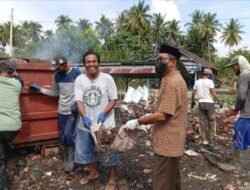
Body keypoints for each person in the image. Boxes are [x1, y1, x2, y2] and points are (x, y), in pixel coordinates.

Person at [125, 45, 188, 190]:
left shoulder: (172, 82)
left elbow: (162, 115)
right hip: (173, 141)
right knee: (172, 179)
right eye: (157, 59)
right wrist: (148, 117)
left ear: (172, 62)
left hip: (168, 143)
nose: (158, 62)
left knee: (162, 182)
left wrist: (138, 121)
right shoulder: (172, 78)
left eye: (161, 59)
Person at [74, 51, 119, 190]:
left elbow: (114, 100)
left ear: (98, 63)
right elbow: (79, 101)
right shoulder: (80, 80)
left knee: (109, 151)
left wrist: (104, 113)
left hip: (105, 124)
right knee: (84, 150)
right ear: (84, 64)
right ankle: (93, 172)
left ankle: (112, 178)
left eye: (94, 61)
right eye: (88, 62)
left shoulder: (107, 78)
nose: (91, 64)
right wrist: (84, 116)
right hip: (86, 123)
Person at [28, 55, 81, 172]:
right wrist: (39, 89)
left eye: (59, 67)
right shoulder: (56, 76)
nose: (57, 69)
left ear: (65, 65)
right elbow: (55, 92)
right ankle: (66, 159)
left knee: (68, 135)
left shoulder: (77, 74)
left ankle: (71, 159)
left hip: (72, 111)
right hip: (61, 111)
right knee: (62, 136)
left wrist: (78, 104)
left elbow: (84, 90)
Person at [0, 60, 23, 189]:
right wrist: (16, 74)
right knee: (4, 146)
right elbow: (21, 79)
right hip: (13, 128)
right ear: (12, 72)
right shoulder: (17, 84)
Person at [226, 55, 250, 171]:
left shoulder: (244, 75)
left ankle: (237, 165)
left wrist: (235, 109)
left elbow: (241, 95)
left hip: (247, 114)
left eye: (233, 66)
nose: (233, 69)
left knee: (240, 135)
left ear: (239, 64)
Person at [191, 68, 221, 145]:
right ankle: (210, 138)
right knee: (211, 120)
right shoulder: (210, 82)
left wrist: (193, 100)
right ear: (208, 75)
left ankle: (203, 138)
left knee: (202, 120)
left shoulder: (197, 82)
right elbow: (213, 92)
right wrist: (219, 100)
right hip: (209, 102)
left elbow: (193, 92)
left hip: (201, 102)